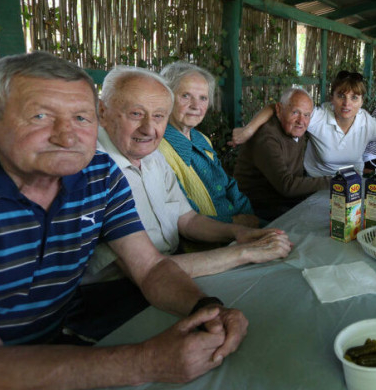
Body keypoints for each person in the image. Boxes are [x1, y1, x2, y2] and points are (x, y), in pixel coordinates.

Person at [0, 52, 249, 390]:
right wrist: (147, 361)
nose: (67, 137)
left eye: (81, 117)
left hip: (57, 351)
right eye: (40, 116)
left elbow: (150, 268)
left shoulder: (100, 173)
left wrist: (207, 309)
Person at [87, 66, 291, 283]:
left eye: (158, 116)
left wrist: (237, 232)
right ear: (102, 111)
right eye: (136, 114)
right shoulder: (94, 170)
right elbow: (147, 269)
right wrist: (245, 252)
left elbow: (187, 219)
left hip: (172, 267)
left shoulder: (151, 155)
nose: (148, 128)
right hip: (125, 289)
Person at [231, 71, 376, 176]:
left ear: (362, 102)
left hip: (354, 186)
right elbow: (275, 107)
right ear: (332, 98)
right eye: (341, 96)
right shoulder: (319, 117)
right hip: (315, 188)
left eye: (354, 98)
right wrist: (247, 131)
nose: (347, 104)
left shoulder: (367, 123)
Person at [157, 62, 258, 228]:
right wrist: (235, 224)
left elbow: (227, 184)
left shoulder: (201, 139)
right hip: (213, 234)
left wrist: (249, 216)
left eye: (203, 98)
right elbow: (183, 215)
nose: (196, 106)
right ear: (166, 97)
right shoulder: (159, 148)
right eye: (186, 96)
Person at [233, 87, 330, 221]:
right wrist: (332, 181)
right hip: (256, 206)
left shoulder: (294, 128)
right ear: (279, 110)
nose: (301, 121)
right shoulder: (267, 137)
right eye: (295, 112)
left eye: (307, 115)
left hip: (284, 199)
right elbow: (286, 186)